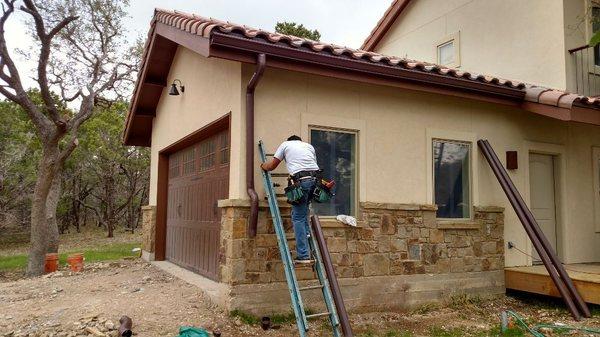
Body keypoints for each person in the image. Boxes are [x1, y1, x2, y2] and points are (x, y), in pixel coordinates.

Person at [261, 135, 320, 264]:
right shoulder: (309, 146)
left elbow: (271, 166)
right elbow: (311, 165)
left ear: (290, 141)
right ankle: (306, 233)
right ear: (299, 140)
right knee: (303, 210)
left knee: (297, 217)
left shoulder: (285, 145)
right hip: (316, 182)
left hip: (302, 182)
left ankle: (303, 255)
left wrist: (262, 166)